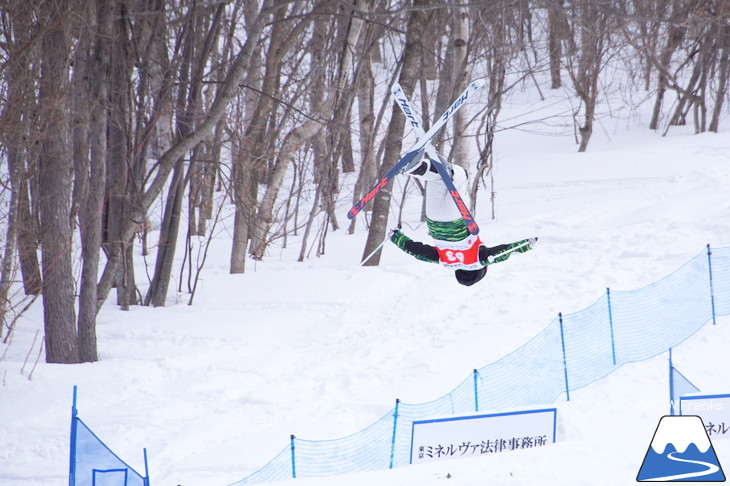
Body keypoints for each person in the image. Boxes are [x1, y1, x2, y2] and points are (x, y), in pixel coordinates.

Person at [389, 150, 536, 286]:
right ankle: (418, 168)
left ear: (480, 270)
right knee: (438, 180)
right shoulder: (445, 262)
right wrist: (396, 238)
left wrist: (526, 245)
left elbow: (502, 253)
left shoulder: (479, 260)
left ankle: (443, 169)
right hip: (433, 219)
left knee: (461, 177)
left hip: (456, 218)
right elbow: (419, 252)